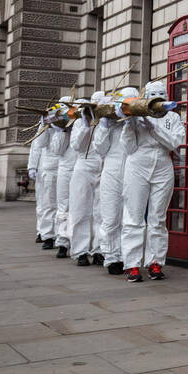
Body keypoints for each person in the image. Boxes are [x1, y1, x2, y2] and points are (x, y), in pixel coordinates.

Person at [119, 80, 185, 283]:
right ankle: (131, 264)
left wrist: (153, 128)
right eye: (152, 94)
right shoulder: (137, 117)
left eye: (160, 94)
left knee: (158, 217)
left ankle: (155, 262)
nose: (157, 97)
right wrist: (130, 125)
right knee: (134, 216)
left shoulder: (173, 117)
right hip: (138, 163)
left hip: (163, 164)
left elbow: (175, 143)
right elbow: (128, 148)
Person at [97, 86, 138, 275]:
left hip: (133, 171)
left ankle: (127, 256)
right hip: (111, 171)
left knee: (129, 217)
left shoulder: (137, 123)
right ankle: (111, 256)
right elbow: (100, 148)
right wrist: (104, 125)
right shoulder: (109, 125)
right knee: (111, 216)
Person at [68, 91, 109, 266]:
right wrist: (86, 126)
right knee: (80, 210)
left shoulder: (107, 123)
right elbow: (76, 146)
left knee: (101, 212)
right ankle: (80, 250)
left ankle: (99, 249)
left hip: (102, 167)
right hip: (83, 166)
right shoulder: (79, 123)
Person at [28, 99, 68, 250]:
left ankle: (62, 236)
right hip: (49, 169)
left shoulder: (68, 123)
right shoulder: (47, 125)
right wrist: (46, 125)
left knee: (63, 206)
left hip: (65, 168)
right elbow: (38, 145)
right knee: (47, 204)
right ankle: (47, 235)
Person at [52, 97, 83, 258]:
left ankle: (81, 243)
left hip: (83, 168)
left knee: (81, 208)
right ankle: (63, 241)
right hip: (66, 169)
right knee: (64, 206)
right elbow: (57, 150)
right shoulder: (62, 129)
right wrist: (61, 130)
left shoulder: (82, 125)